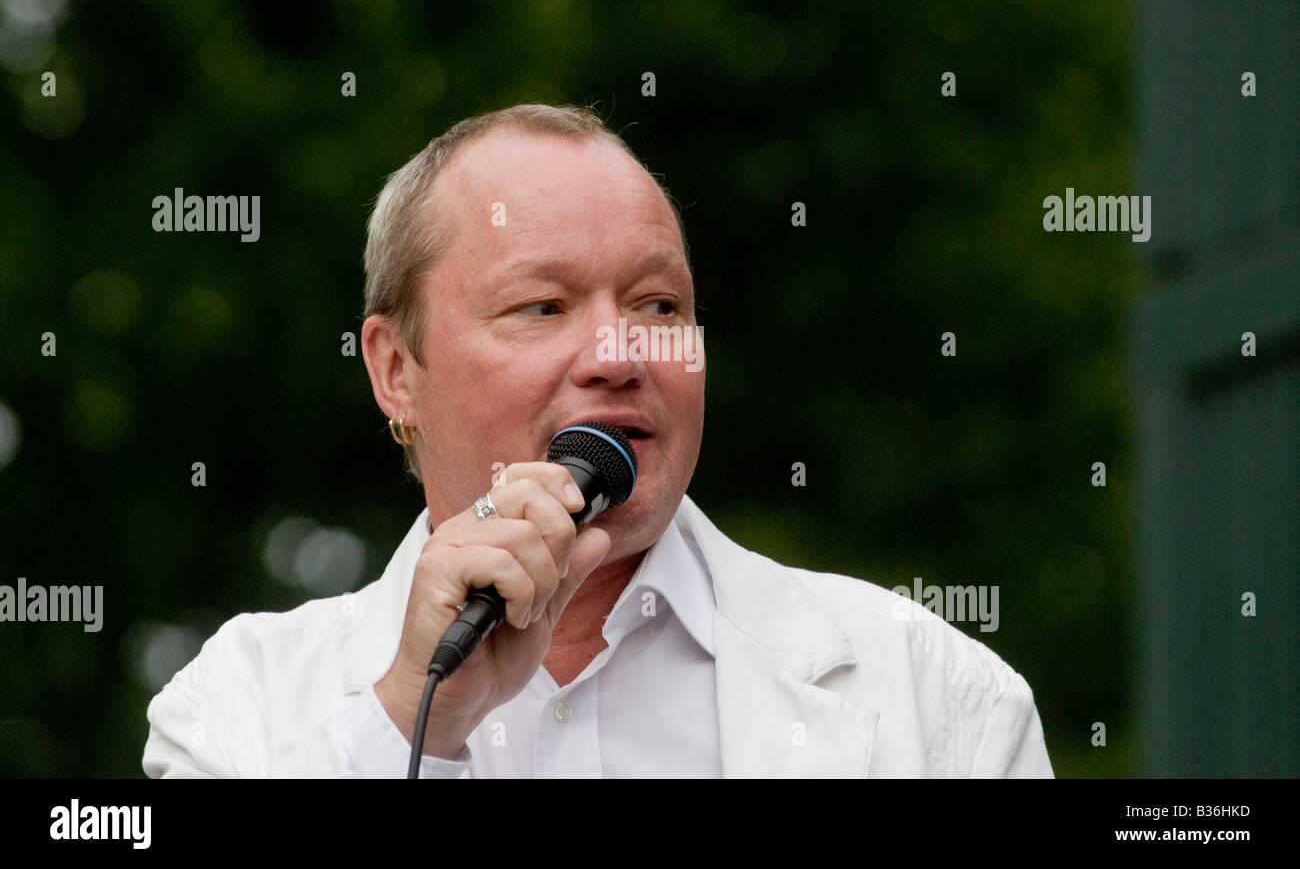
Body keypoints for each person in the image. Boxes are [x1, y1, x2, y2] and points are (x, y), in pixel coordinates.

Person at [143, 104, 1053, 778]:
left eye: (660, 305)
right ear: (394, 369)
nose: (620, 355)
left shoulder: (932, 693)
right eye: (542, 307)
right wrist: (411, 722)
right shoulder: (238, 706)